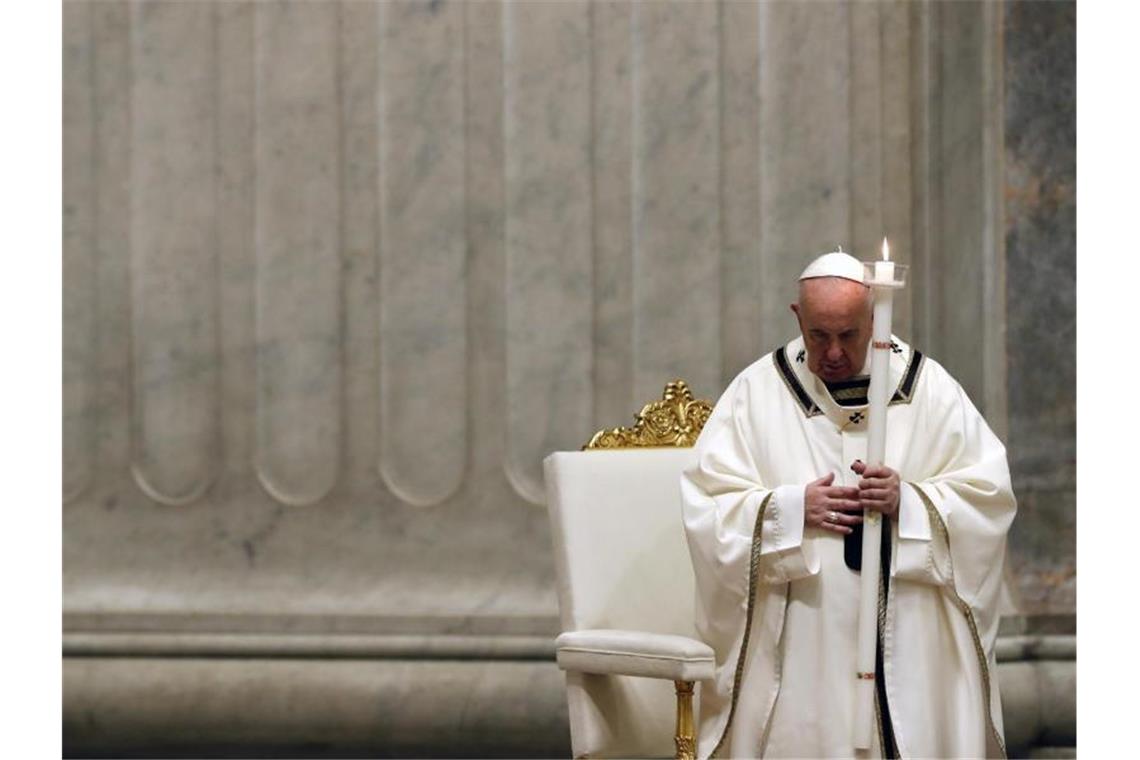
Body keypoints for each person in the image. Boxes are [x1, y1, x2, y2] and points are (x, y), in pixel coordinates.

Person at [680, 250, 1016, 759]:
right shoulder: (757, 393)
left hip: (909, 631)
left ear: (875, 320)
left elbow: (987, 498)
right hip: (801, 636)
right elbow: (707, 506)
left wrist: (912, 501)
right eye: (819, 336)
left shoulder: (928, 389)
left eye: (849, 335)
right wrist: (790, 511)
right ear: (798, 318)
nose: (833, 352)